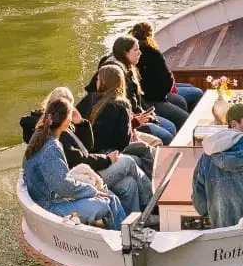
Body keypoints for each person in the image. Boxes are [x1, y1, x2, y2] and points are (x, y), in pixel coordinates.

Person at [20, 87, 150, 213]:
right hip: (69, 181)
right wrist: (107, 159)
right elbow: (72, 167)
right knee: (128, 163)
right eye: (67, 108)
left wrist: (81, 123)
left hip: (74, 175)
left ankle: (135, 221)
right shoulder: (54, 138)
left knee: (129, 184)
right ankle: (151, 204)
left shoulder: (60, 128)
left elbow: (88, 147)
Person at [23, 99, 125, 227]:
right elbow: (63, 187)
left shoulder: (40, 134)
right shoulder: (51, 147)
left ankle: (124, 232)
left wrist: (89, 189)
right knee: (107, 202)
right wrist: (91, 191)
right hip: (50, 206)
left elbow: (59, 181)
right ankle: (122, 241)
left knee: (110, 197)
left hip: (47, 196)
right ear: (66, 120)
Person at [78, 63, 158, 181]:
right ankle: (153, 182)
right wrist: (133, 127)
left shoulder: (89, 99)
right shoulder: (121, 104)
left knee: (128, 184)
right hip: (109, 152)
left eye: (98, 79)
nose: (96, 82)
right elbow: (123, 142)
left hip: (89, 152)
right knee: (145, 148)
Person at [108, 35, 179, 141]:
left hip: (139, 113)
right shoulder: (118, 75)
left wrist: (149, 113)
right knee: (168, 133)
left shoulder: (130, 69)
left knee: (171, 126)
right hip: (131, 120)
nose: (140, 53)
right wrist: (141, 118)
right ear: (125, 53)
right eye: (136, 50)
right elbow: (124, 107)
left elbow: (138, 99)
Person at [130, 20, 202, 120]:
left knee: (188, 88)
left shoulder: (133, 54)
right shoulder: (152, 54)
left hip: (148, 95)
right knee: (192, 98)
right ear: (150, 35)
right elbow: (166, 83)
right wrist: (167, 90)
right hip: (152, 99)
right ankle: (188, 124)